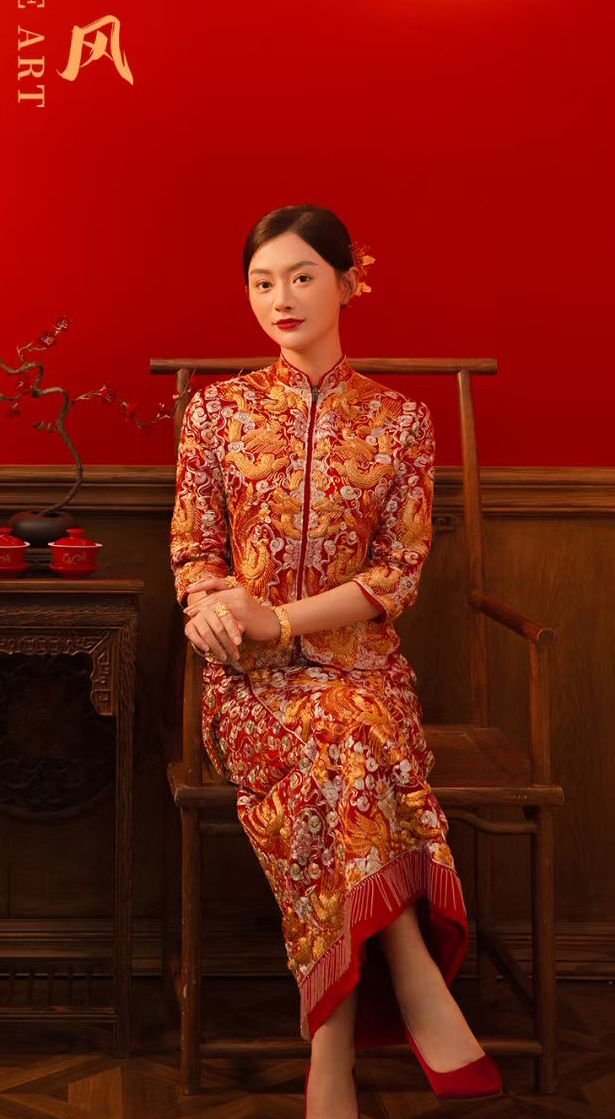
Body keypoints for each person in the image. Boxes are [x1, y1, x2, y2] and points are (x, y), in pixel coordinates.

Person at [169, 205, 500, 1119]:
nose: (281, 297)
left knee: (347, 738)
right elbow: (194, 553)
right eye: (262, 282)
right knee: (345, 747)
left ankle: (331, 1059)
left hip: (364, 673)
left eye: (303, 276)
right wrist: (209, 611)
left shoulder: (400, 422)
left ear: (351, 283)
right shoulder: (218, 413)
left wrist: (277, 618)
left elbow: (396, 576)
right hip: (250, 687)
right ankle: (414, 974)